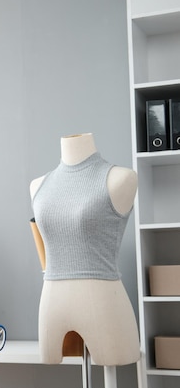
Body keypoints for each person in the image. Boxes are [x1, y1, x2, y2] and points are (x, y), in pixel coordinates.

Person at [30, 133, 140, 366]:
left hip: (103, 303)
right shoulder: (39, 185)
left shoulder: (120, 178)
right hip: (51, 302)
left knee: (110, 381)